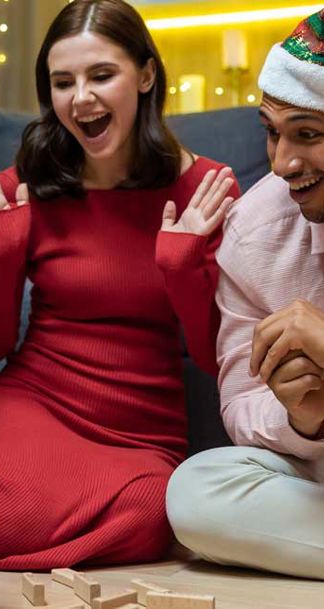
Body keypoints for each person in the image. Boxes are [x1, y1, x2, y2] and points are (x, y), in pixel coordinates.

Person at [0, 0, 238, 570]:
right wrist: (0, 253)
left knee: (158, 512)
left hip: (139, 430)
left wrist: (184, 267)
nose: (80, 97)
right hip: (36, 400)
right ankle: (8, 542)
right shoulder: (22, 188)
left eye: (101, 75)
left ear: (145, 74)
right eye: (63, 82)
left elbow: (216, 359)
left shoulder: (205, 189)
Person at [166, 9, 324, 579]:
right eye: (272, 132)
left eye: (308, 134)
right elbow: (238, 405)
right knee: (197, 491)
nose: (283, 164)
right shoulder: (257, 231)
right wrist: (303, 418)